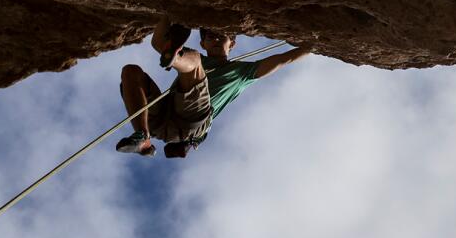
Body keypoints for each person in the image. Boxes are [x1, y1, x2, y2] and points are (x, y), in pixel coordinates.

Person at [116, 16, 311, 158]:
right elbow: (158, 40)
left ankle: (173, 56)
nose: (216, 39)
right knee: (130, 71)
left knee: (194, 63)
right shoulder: (198, 57)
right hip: (162, 124)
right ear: (203, 42)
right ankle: (142, 137)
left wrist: (314, 45)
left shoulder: (243, 72)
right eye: (211, 37)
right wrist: (170, 12)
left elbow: (285, 59)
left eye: (221, 36)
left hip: (193, 123)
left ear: (232, 43)